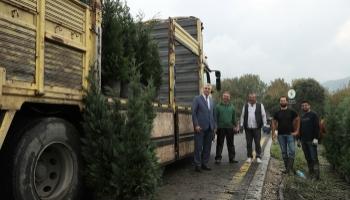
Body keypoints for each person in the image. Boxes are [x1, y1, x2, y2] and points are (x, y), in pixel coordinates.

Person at [192, 84, 216, 172]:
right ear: (202, 89)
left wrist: (214, 126)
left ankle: (204, 164)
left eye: (209, 89)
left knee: (207, 147)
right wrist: (196, 125)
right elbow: (194, 113)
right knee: (198, 147)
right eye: (205, 88)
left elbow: (213, 114)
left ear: (210, 90)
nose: (207, 90)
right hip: (200, 128)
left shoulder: (212, 100)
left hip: (210, 128)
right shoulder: (197, 99)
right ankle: (197, 165)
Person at [272, 96, 299, 174]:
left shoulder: (291, 111)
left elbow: (298, 119)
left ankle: (289, 169)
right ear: (279, 102)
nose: (283, 102)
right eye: (281, 101)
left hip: (290, 134)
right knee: (284, 152)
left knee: (292, 151)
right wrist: (273, 133)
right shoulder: (277, 113)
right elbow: (273, 122)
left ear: (287, 102)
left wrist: (297, 131)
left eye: (284, 101)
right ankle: (288, 169)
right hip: (280, 135)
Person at [240, 93, 267, 163]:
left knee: (257, 143)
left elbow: (263, 115)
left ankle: (258, 156)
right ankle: (249, 156)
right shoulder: (245, 106)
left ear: (255, 98)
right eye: (250, 97)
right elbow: (242, 116)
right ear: (248, 98)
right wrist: (241, 124)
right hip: (248, 128)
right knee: (248, 143)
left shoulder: (260, 105)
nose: (252, 99)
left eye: (253, 97)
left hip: (257, 128)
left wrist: (264, 124)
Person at [215, 91, 239, 164]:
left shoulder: (232, 107)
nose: (226, 97)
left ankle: (232, 158)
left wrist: (236, 126)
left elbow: (234, 118)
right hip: (220, 128)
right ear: (222, 97)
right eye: (224, 96)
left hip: (230, 128)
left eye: (227, 96)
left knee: (231, 144)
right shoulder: (218, 106)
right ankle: (218, 158)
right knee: (219, 143)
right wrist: (215, 127)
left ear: (229, 97)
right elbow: (215, 117)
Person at [298, 100, 320, 180]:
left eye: (306, 105)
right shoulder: (302, 116)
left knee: (314, 158)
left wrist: (316, 138)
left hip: (312, 140)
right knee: (308, 158)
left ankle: (316, 176)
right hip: (303, 141)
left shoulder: (314, 115)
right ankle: (311, 173)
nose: (304, 107)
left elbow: (317, 127)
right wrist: (299, 139)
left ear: (309, 106)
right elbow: (300, 129)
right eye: (303, 106)